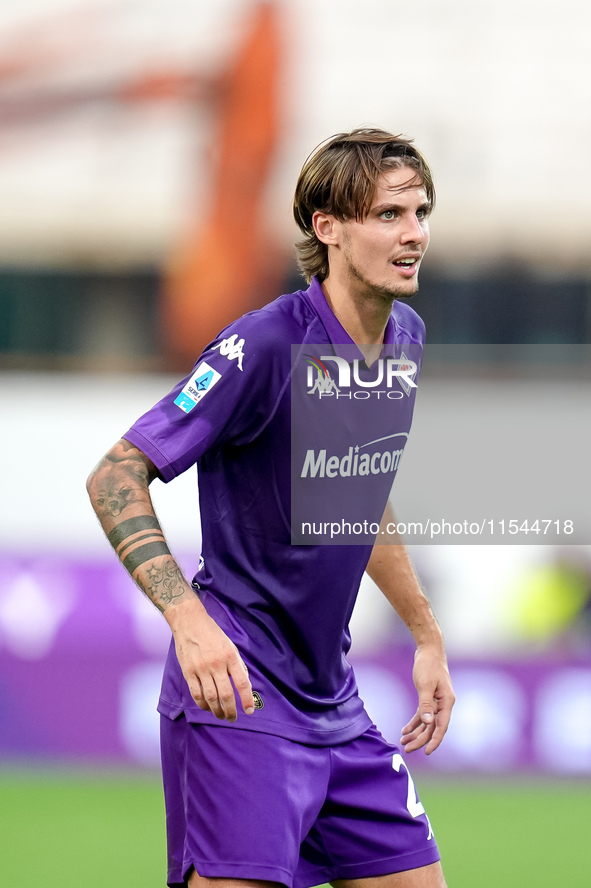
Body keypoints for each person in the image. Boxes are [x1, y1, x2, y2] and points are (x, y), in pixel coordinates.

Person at [87, 127, 455, 888]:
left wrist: (425, 633)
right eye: (388, 215)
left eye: (419, 211)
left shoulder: (406, 339)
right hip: (241, 697)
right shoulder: (260, 347)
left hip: (335, 700)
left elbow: (359, 493)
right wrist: (190, 626)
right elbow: (114, 477)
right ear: (328, 229)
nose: (413, 232)